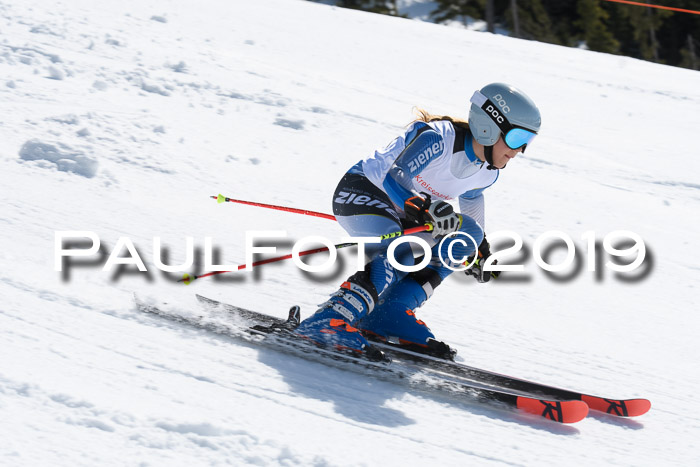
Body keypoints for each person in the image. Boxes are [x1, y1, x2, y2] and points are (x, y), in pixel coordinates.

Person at [294, 83, 541, 360]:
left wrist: (479, 248)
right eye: (517, 138)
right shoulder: (439, 139)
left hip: (408, 213)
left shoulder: (488, 171)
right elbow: (395, 176)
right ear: (489, 126)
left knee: (466, 235)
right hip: (362, 192)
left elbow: (472, 197)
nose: (519, 150)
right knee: (404, 249)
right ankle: (329, 319)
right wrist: (423, 207)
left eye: (527, 142)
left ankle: (391, 312)